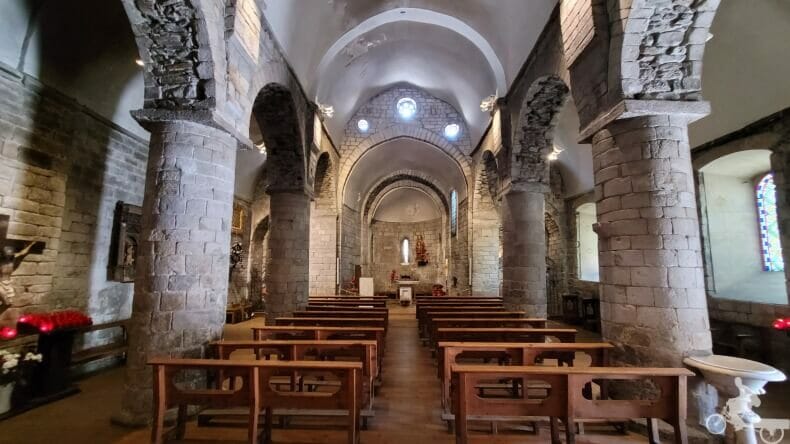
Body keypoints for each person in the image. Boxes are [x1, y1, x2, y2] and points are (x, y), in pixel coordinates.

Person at [0, 242, 36, 313]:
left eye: (10, 255)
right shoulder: (0, 261)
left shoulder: (13, 259)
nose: (9, 256)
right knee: (6, 301)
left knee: (9, 303)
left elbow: (23, 253)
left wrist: (31, 244)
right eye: (7, 255)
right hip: (0, 284)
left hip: (8, 283)